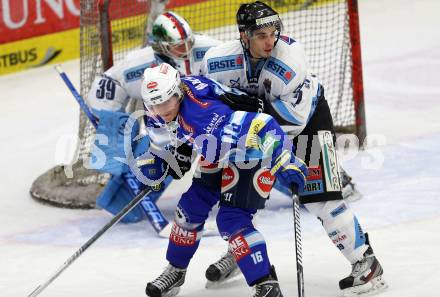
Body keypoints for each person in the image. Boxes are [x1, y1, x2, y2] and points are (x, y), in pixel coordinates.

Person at [198, 2, 387, 296]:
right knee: (237, 198)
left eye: (274, 33)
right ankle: (242, 252)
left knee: (319, 197)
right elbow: (209, 101)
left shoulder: (290, 61)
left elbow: (291, 123)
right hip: (255, 130)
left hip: (305, 123)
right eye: (261, 35)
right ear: (243, 36)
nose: (270, 41)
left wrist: (246, 118)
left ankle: (366, 262)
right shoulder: (217, 61)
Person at [142, 63, 307, 297]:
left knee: (232, 219)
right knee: (189, 209)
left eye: (166, 102)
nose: (161, 109)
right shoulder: (156, 110)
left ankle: (266, 283)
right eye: (154, 104)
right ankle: (176, 270)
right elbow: (165, 141)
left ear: (178, 93)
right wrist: (164, 160)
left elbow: (263, 125)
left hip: (250, 152)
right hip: (215, 150)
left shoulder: (205, 114)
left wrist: (284, 159)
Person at [85, 11, 220, 223]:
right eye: (178, 45)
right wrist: (111, 120)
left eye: (188, 42)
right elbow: (109, 82)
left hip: (211, 120)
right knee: (160, 160)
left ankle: (283, 182)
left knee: (246, 142)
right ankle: (125, 202)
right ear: (161, 46)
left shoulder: (209, 49)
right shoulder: (140, 63)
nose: (186, 50)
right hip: (168, 128)